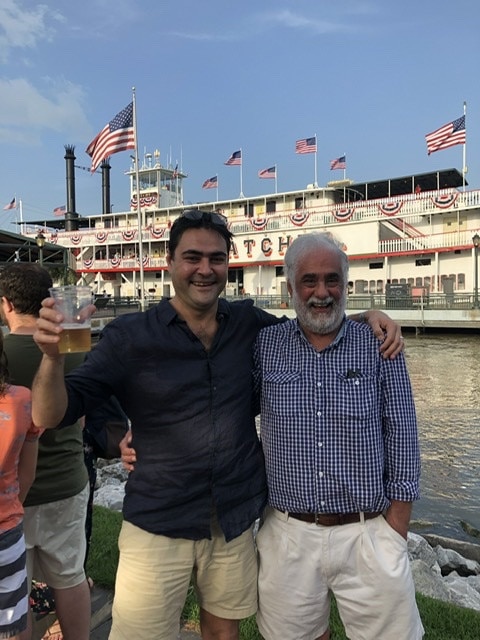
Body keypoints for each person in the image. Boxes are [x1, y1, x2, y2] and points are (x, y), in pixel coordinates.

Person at [30, 210, 403, 640]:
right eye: (192, 257)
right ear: (169, 261)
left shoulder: (249, 324)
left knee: (224, 633)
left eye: (216, 258)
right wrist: (52, 357)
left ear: (227, 263)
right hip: (158, 520)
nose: (205, 269)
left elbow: (311, 325)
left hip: (234, 521)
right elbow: (49, 415)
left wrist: (367, 317)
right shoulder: (129, 335)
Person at [253, 232, 423, 640]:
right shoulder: (264, 345)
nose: (321, 292)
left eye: (332, 281)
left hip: (368, 533)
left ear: (346, 286)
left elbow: (403, 430)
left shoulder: (379, 342)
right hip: (288, 533)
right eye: (309, 281)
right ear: (290, 287)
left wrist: (396, 525)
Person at [0, 263, 91, 640]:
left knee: (14, 589)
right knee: (69, 576)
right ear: (46, 300)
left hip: (11, 499)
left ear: (5, 303)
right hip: (67, 483)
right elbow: (81, 420)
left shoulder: (3, 351)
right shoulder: (73, 345)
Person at [0, 331, 40, 640]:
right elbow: (27, 472)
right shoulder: (22, 400)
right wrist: (14, 504)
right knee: (13, 616)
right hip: (6, 527)